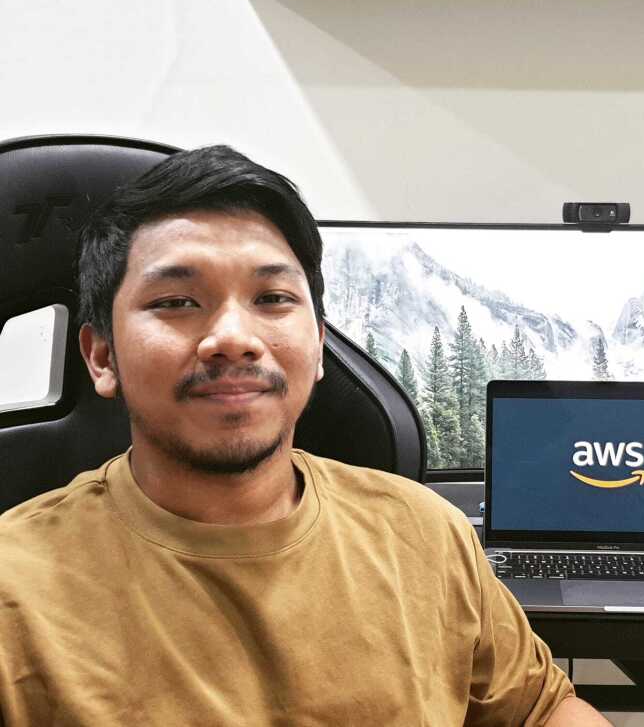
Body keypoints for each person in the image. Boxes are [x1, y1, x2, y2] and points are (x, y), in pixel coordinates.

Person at [0, 146, 611, 726]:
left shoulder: (424, 534)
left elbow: (543, 709)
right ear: (101, 356)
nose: (234, 337)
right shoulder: (16, 588)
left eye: (272, 297)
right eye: (179, 300)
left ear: (318, 347)